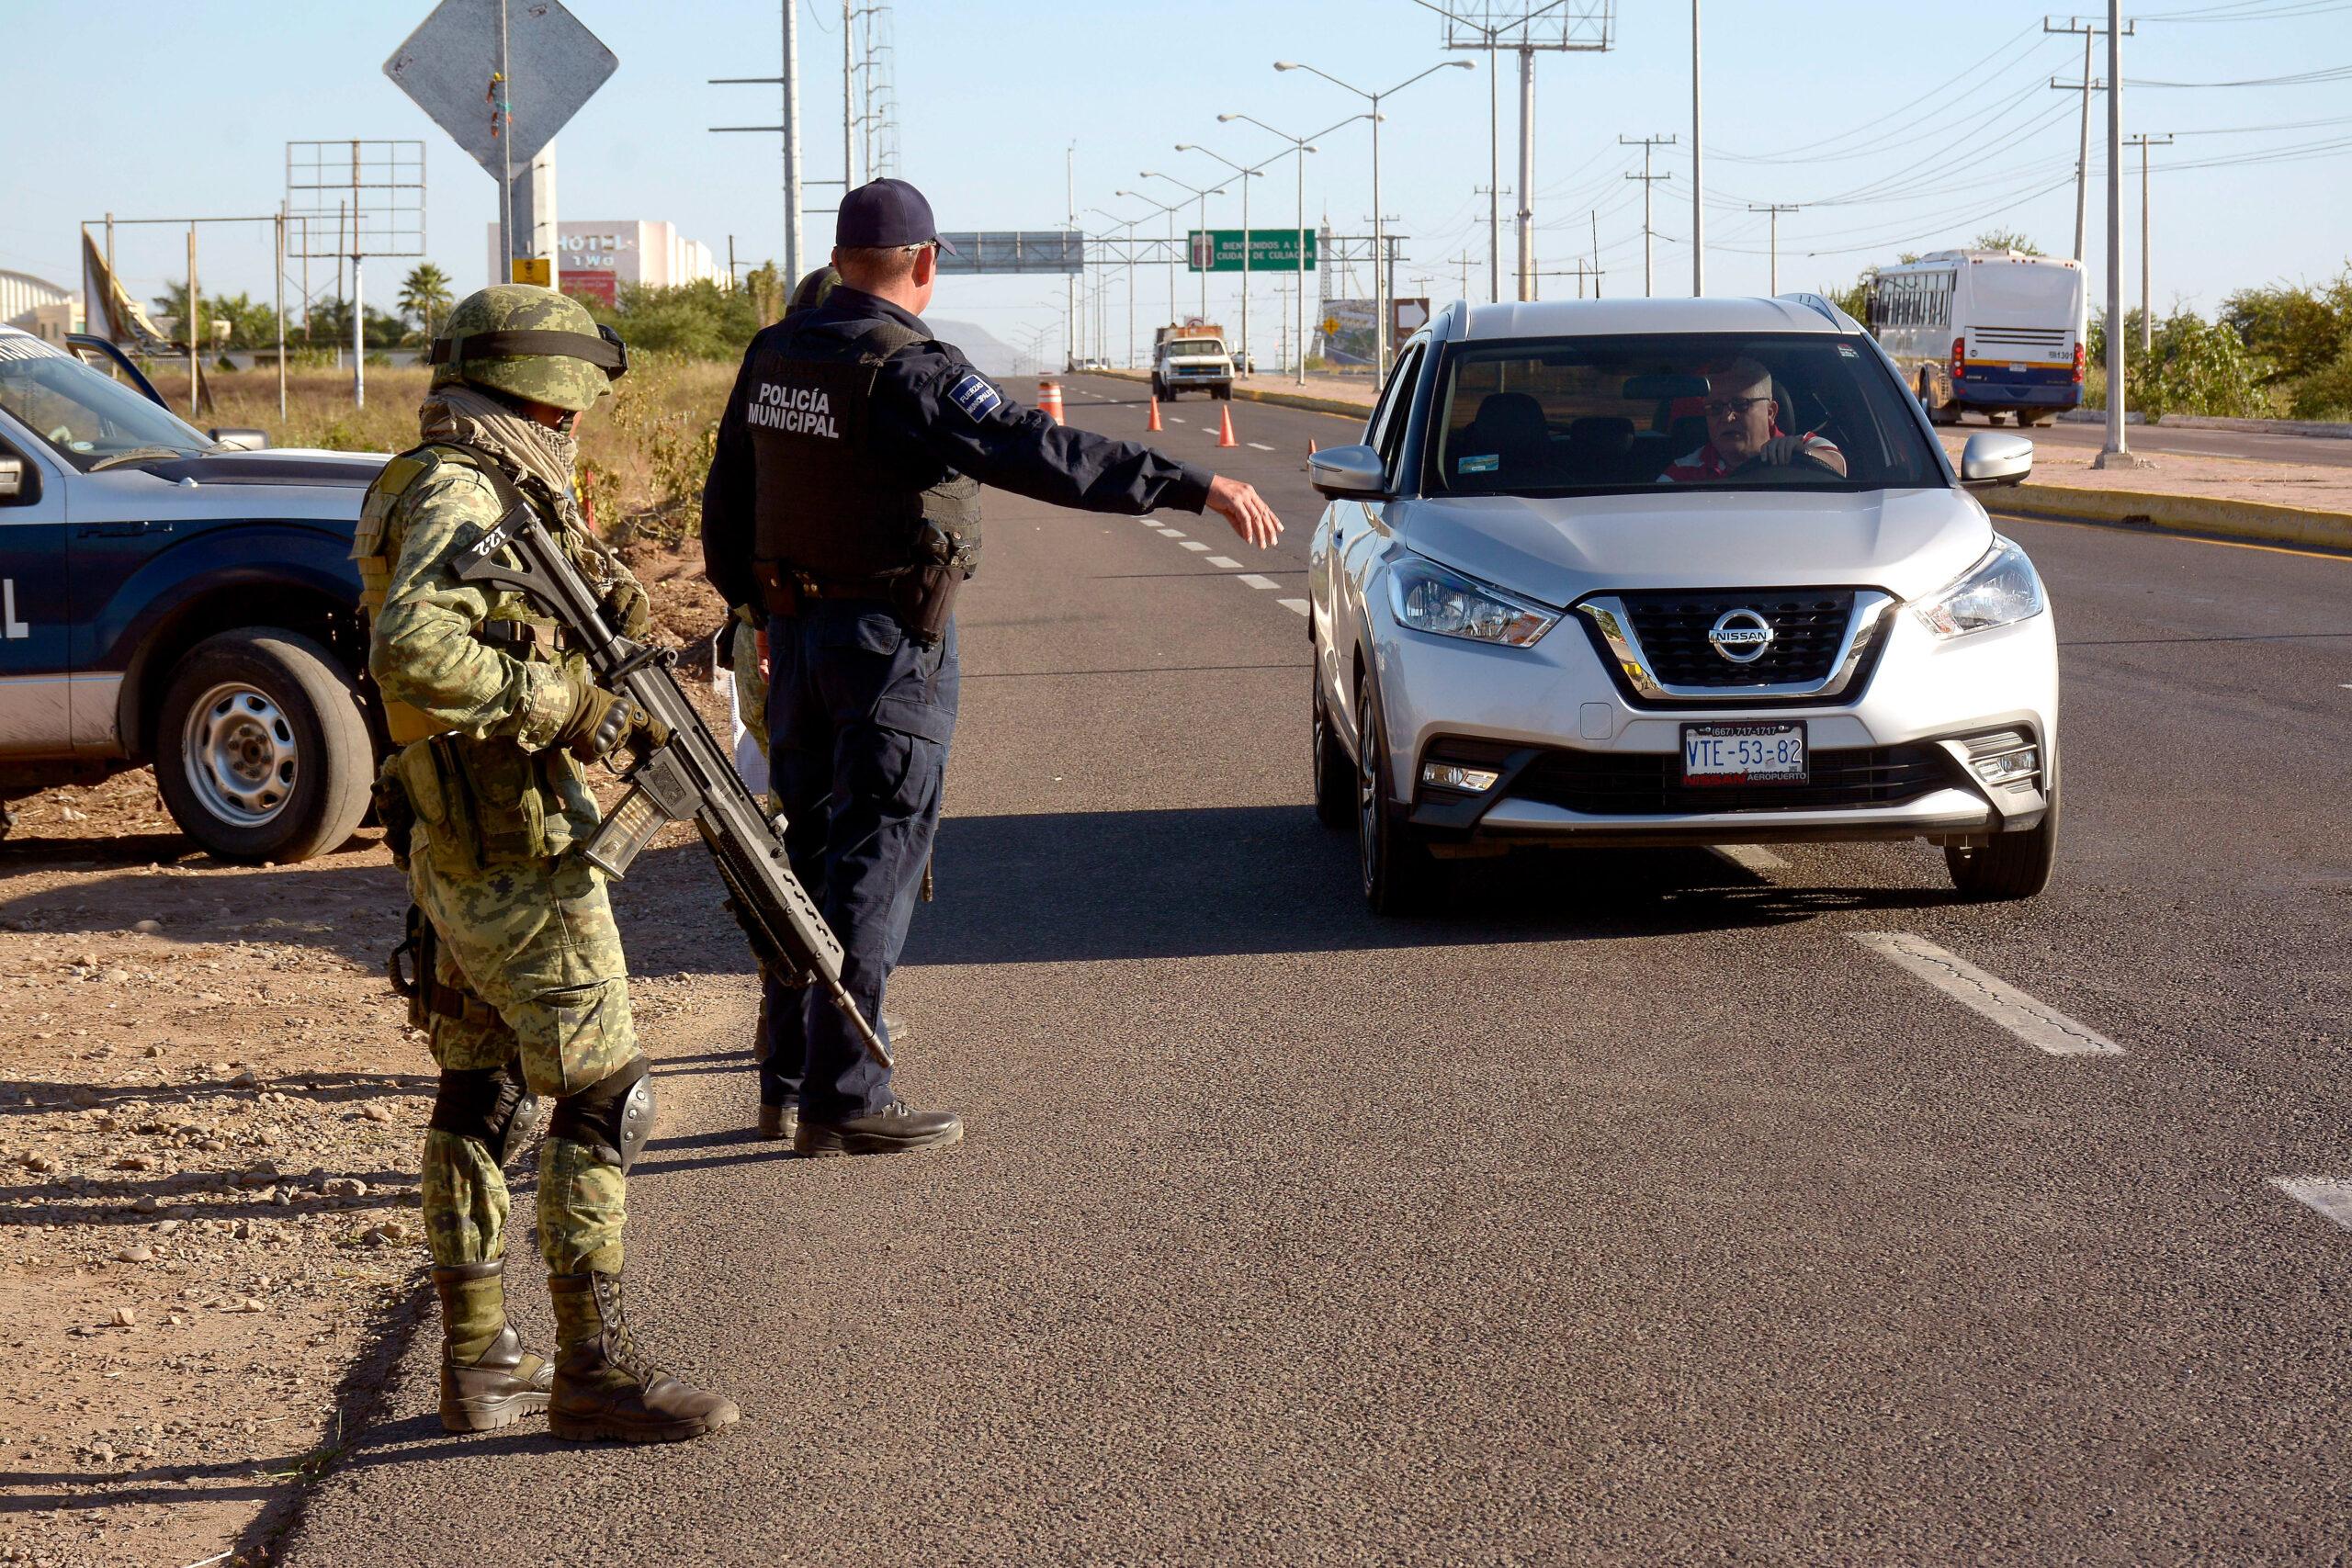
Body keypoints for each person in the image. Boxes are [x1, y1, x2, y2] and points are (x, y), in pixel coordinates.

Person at [702, 177, 1281, 1156]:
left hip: (794, 640)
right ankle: (849, 1096)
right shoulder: (910, 369)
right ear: (925, 263)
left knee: (807, 857)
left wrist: (751, 609)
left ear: (838, 259)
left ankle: (789, 1083)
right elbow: (1037, 449)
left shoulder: (772, 353)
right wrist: (1191, 483)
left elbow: (729, 493)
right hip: (888, 648)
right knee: (875, 860)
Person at [356, 284, 738, 1444]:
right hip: (514, 846)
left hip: (457, 838)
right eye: (574, 406)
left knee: (483, 1086)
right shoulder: (465, 489)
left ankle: (479, 1358)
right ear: (546, 394)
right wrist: (561, 699)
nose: (576, 427)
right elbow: (412, 650)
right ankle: (592, 1368)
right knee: (607, 1092)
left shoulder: (435, 477)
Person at [1659, 357, 1847, 481]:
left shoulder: (1805, 445)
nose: (1727, 417)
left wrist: (1800, 455)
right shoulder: (1682, 472)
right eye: (1715, 408)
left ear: (1770, 412)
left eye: (1740, 404)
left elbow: (1838, 466)